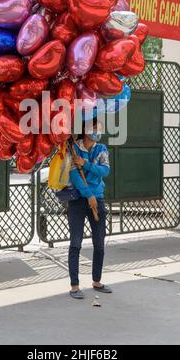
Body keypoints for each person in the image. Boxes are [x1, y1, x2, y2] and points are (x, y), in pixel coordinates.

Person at [67, 117, 112, 299]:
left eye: (99, 129)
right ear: (86, 130)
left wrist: (86, 164)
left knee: (99, 243)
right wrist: (89, 195)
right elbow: (74, 175)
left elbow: (105, 171)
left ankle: (97, 281)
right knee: (76, 243)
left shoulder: (101, 149)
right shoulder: (73, 148)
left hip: (98, 199)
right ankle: (75, 286)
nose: (98, 132)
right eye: (95, 128)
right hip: (78, 200)